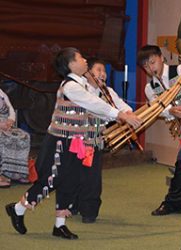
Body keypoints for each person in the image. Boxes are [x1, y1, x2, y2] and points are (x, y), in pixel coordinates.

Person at [5, 47, 142, 239]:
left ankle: (59, 225)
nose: (85, 60)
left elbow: (98, 108)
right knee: (51, 179)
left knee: (70, 181)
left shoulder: (85, 85)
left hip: (76, 142)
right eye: (80, 58)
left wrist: (123, 113)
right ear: (70, 64)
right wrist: (118, 115)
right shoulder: (71, 86)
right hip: (60, 142)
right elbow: (94, 105)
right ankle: (18, 208)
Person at [70, 57, 134, 223]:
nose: (103, 74)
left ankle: (89, 211)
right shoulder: (80, 89)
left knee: (92, 176)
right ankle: (73, 204)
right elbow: (97, 107)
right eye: (98, 70)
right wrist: (115, 114)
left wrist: (129, 114)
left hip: (95, 140)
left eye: (104, 71)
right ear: (88, 72)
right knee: (75, 173)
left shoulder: (108, 91)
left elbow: (123, 107)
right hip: (77, 139)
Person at [137, 45, 181, 216]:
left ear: (162, 57)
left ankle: (174, 203)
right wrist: (170, 111)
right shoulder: (150, 88)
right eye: (146, 66)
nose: (150, 68)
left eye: (153, 62)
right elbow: (158, 110)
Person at [0, 88, 30, 188]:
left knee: (24, 136)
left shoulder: (1, 92)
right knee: (2, 137)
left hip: (6, 124)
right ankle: (1, 174)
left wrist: (10, 120)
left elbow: (10, 108)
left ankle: (17, 173)